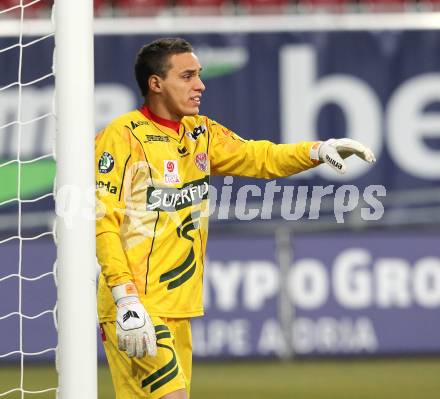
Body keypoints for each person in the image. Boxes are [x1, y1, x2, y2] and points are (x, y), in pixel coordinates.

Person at [95, 37, 375, 399]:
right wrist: (126, 299)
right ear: (156, 83)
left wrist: (316, 150)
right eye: (188, 76)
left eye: (199, 75)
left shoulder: (201, 133)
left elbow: (260, 157)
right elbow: (103, 221)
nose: (200, 85)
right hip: (137, 306)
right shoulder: (122, 137)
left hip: (178, 308)